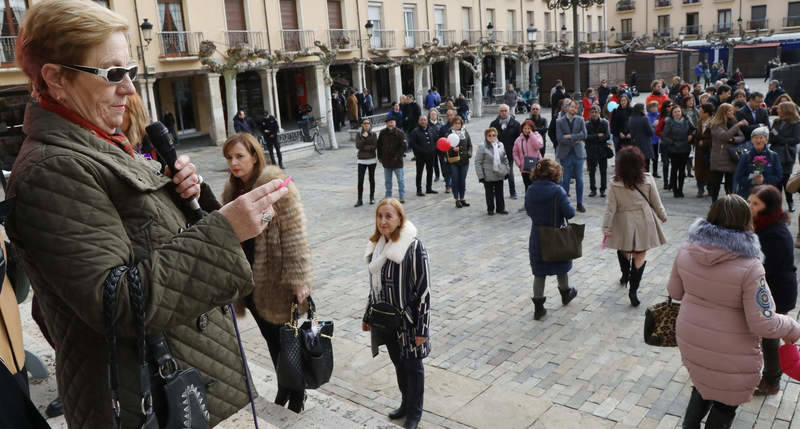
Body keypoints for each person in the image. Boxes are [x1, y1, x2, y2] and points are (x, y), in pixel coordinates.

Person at [5, 1, 291, 426]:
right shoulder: (52, 170)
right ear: (56, 79)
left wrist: (184, 198)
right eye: (113, 74)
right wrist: (225, 231)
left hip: (170, 385)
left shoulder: (98, 141)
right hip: (139, 402)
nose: (131, 90)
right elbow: (114, 301)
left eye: (131, 72)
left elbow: (143, 239)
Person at [669, 195, 800, 429]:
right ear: (745, 221)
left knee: (703, 384)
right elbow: (764, 323)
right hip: (730, 348)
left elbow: (675, 292)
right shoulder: (751, 266)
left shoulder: (686, 250)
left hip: (692, 337)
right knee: (725, 402)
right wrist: (791, 327)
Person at [221, 133, 311, 413]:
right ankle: (285, 385)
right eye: (229, 158)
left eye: (239, 156)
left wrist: (299, 280)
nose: (234, 163)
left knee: (288, 342)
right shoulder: (231, 192)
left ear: (254, 156)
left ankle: (297, 393)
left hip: (276, 280)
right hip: (249, 281)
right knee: (271, 341)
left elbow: (295, 233)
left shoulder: (275, 185)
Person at [362, 199, 431, 429]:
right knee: (399, 365)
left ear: (400, 218)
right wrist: (367, 315)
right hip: (386, 321)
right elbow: (374, 285)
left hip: (408, 322)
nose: (383, 221)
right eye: (380, 216)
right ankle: (405, 402)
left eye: (389, 216)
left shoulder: (412, 247)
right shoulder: (376, 246)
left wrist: (422, 329)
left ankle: (415, 413)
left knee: (413, 368)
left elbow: (423, 290)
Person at [747, 185, 798, 395]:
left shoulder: (775, 233)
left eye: (755, 203)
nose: (750, 206)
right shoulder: (760, 226)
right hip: (766, 292)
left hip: (777, 294)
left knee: (770, 339)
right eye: (749, 201)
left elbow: (766, 269)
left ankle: (772, 381)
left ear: (768, 208)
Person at [603, 146, 667, 306]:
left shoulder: (614, 183)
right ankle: (633, 290)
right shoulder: (648, 179)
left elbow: (610, 208)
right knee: (640, 253)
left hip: (623, 219)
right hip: (644, 219)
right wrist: (662, 216)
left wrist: (607, 228)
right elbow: (656, 202)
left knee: (625, 248)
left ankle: (625, 274)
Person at [525, 159, 578, 320]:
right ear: (554, 174)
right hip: (556, 234)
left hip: (538, 235)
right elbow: (570, 213)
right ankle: (566, 293)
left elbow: (528, 210)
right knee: (561, 266)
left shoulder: (531, 189)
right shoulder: (557, 191)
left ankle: (539, 309)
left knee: (539, 273)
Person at [709, 103, 747, 202]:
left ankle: (729, 202)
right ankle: (714, 201)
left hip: (731, 156)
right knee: (716, 182)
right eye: (729, 111)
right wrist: (738, 125)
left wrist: (733, 139)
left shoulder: (733, 122)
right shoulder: (715, 124)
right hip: (719, 157)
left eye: (732, 111)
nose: (732, 113)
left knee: (730, 183)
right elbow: (724, 136)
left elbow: (742, 137)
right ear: (723, 112)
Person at [556, 100, 588, 212]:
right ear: (567, 107)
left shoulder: (580, 120)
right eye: (572, 107)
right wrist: (576, 137)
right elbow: (559, 138)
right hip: (565, 154)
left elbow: (584, 135)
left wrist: (570, 136)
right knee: (566, 180)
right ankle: (565, 204)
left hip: (578, 154)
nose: (574, 109)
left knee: (579, 179)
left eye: (576, 107)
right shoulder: (559, 121)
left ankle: (579, 203)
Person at [735, 127, 782, 198]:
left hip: (767, 195)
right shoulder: (746, 156)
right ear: (752, 140)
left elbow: (779, 176)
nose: (758, 140)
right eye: (755, 138)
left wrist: (764, 180)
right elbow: (738, 177)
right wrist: (753, 181)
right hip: (749, 195)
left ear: (766, 140)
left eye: (761, 137)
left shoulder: (773, 156)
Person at [661, 104, 696, 198]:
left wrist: (691, 135)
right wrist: (672, 142)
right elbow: (663, 136)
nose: (677, 113)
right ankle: (675, 190)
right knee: (674, 170)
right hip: (674, 149)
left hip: (685, 148)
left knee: (682, 170)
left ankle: (680, 189)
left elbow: (694, 129)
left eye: (679, 111)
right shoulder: (669, 122)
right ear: (672, 114)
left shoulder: (687, 120)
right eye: (675, 112)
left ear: (681, 112)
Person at [771, 102, 800, 212]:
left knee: (786, 178)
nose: (777, 110)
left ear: (786, 110)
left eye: (779, 109)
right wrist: (780, 139)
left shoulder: (796, 123)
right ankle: (777, 204)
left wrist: (780, 138)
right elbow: (771, 136)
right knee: (777, 178)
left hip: (788, 154)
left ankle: (790, 201)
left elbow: (796, 139)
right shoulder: (776, 121)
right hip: (775, 152)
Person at [475, 128, 510, 215]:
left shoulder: (500, 145)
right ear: (486, 136)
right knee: (489, 194)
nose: (492, 137)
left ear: (496, 136)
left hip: (499, 173)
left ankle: (501, 208)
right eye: (489, 135)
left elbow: (505, 159)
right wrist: (481, 176)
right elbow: (478, 162)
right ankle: (490, 209)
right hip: (488, 174)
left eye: (494, 135)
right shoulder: (482, 147)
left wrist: (507, 171)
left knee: (500, 192)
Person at [490, 104, 521, 199]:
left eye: (505, 111)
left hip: (510, 152)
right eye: (501, 111)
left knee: (509, 172)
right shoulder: (494, 124)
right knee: (497, 172)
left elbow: (519, 139)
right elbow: (490, 137)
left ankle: (513, 192)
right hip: (497, 152)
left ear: (509, 111)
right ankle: (497, 191)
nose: (503, 113)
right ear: (499, 112)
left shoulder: (515, 124)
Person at [378, 117, 408, 203]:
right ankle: (388, 196)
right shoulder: (382, 133)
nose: (390, 124)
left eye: (392, 122)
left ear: (395, 123)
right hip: (386, 161)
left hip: (397, 161)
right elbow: (379, 145)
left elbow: (404, 147)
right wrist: (379, 157)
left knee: (400, 180)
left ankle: (402, 196)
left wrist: (397, 156)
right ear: (386, 124)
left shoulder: (400, 133)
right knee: (387, 180)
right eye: (389, 122)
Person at [447, 116, 473, 208]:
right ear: (453, 124)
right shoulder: (449, 134)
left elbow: (470, 145)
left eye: (459, 123)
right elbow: (445, 148)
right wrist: (452, 149)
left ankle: (462, 198)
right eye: (455, 123)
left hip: (465, 160)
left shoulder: (465, 132)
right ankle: (456, 199)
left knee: (462, 180)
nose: (457, 125)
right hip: (454, 161)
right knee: (455, 180)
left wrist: (469, 154)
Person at [585, 105, 611, 198]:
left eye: (596, 112)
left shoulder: (604, 122)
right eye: (592, 112)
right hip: (591, 151)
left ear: (599, 112)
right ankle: (593, 189)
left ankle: (603, 189)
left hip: (602, 150)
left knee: (603, 171)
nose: (594, 114)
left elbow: (607, 136)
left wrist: (595, 138)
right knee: (592, 171)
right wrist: (597, 136)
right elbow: (585, 137)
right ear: (590, 113)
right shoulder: (587, 124)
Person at [409, 116, 437, 197]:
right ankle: (419, 190)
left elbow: (435, 140)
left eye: (424, 120)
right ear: (418, 121)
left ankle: (429, 188)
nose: (423, 121)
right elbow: (413, 144)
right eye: (421, 120)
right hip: (420, 156)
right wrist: (420, 152)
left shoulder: (431, 129)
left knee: (430, 172)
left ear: (427, 121)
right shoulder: (415, 131)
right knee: (419, 173)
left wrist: (434, 149)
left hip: (431, 155)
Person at [513, 119, 544, 193]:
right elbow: (515, 152)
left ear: (532, 128)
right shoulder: (518, 140)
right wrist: (519, 163)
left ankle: (536, 203)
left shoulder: (537, 136)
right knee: (527, 187)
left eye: (528, 128)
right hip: (524, 167)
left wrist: (531, 135)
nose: (527, 130)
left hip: (536, 166)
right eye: (525, 128)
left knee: (536, 187)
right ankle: (528, 203)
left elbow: (538, 146)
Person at [355, 118, 378, 206]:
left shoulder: (374, 134)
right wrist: (364, 138)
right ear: (362, 125)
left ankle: (371, 197)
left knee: (371, 179)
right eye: (365, 123)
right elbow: (358, 146)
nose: (367, 125)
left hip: (372, 159)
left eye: (368, 123)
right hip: (361, 160)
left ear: (370, 125)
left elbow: (374, 147)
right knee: (360, 180)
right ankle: (359, 200)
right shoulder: (359, 134)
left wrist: (364, 148)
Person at [694, 103, 715, 198]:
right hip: (699, 151)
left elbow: (715, 138)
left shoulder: (713, 123)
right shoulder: (699, 122)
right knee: (699, 170)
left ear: (707, 113)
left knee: (710, 171)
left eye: (701, 112)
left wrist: (705, 142)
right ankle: (700, 189)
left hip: (710, 151)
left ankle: (710, 189)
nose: (699, 113)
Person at [628, 103, 656, 173]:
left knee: (637, 166)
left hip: (635, 144)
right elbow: (650, 132)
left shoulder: (631, 119)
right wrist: (654, 126)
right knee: (646, 167)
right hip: (645, 145)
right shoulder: (644, 119)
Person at [655, 100, 676, 190]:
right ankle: (666, 182)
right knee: (666, 164)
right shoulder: (662, 117)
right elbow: (658, 131)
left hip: (674, 143)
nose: (670, 107)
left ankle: (672, 182)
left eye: (672, 106)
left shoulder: (675, 116)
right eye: (668, 106)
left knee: (674, 164)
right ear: (665, 107)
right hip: (665, 143)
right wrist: (665, 137)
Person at [439, 109, 458, 193]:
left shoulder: (458, 127)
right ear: (446, 117)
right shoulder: (443, 128)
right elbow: (440, 139)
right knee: (447, 170)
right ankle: (448, 186)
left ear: (454, 116)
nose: (450, 117)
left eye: (451, 115)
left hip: (456, 151)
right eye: (448, 115)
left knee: (456, 170)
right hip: (446, 152)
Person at [427, 109, 444, 182]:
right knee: (434, 162)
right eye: (432, 114)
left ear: (437, 115)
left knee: (442, 161)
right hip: (432, 146)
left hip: (441, 146)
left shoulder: (441, 124)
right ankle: (437, 176)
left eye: (434, 114)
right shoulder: (427, 125)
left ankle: (445, 175)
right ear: (429, 116)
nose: (433, 116)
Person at [646, 101, 661, 177]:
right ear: (649, 108)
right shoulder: (646, 117)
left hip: (657, 139)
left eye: (655, 106)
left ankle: (655, 172)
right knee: (647, 157)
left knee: (656, 156)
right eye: (652, 107)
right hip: (648, 140)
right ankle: (647, 172)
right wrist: (653, 125)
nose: (654, 108)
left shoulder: (659, 116)